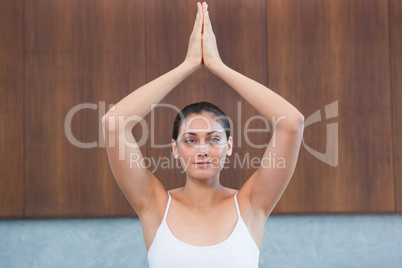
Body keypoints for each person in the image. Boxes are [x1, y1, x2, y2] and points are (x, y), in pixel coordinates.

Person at [102, 2, 304, 267]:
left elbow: (292, 122)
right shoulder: (154, 204)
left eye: (214, 139)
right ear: (175, 149)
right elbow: (113, 123)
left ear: (229, 146)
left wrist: (217, 65)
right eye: (190, 140)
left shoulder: (251, 204)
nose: (202, 149)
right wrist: (187, 65)